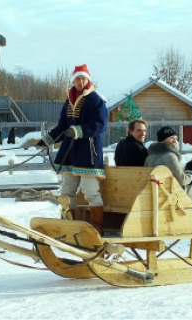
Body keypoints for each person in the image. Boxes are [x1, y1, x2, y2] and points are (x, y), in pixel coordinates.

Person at [36, 64, 108, 235]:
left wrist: (79, 130)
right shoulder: (68, 101)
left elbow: (100, 125)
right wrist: (48, 139)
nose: (80, 81)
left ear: (88, 80)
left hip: (88, 152)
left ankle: (97, 227)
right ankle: (69, 224)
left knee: (91, 191)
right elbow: (62, 126)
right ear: (73, 80)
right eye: (77, 78)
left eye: (83, 78)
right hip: (69, 152)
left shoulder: (96, 100)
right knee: (67, 192)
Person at [144, 126, 192, 210]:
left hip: (157, 191)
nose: (175, 141)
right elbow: (182, 180)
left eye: (176, 138)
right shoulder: (169, 156)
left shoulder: (150, 157)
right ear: (163, 139)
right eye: (171, 138)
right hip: (172, 192)